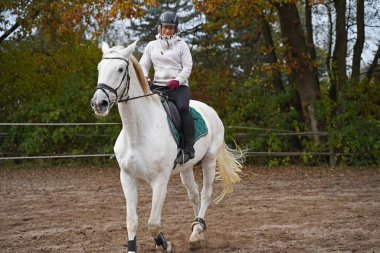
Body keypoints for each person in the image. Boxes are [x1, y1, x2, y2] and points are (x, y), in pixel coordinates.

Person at [139, 11, 195, 164]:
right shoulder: (151, 45)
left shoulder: (182, 45)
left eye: (171, 28)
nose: (168, 30)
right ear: (160, 27)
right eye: (165, 27)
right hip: (157, 85)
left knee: (183, 109)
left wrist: (177, 80)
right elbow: (143, 64)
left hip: (178, 87)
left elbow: (188, 66)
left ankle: (188, 149)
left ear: (175, 29)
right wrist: (145, 76)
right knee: (138, 107)